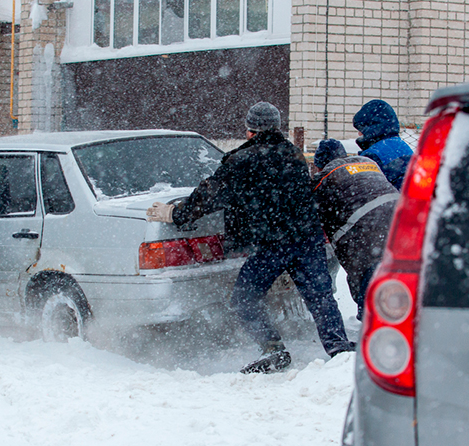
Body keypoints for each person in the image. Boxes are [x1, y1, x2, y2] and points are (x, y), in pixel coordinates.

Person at [147, 102, 355, 374]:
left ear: (249, 130)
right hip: (307, 237)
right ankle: (339, 349)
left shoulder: (240, 161)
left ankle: (272, 348)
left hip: (273, 244)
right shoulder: (292, 153)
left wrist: (176, 213)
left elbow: (209, 195)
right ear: (276, 127)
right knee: (320, 297)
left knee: (244, 298)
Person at [312, 139, 398, 320]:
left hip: (367, 227)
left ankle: (373, 318)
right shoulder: (368, 163)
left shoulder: (326, 176)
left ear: (320, 164)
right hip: (401, 218)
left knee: (366, 268)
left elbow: (311, 211)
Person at [352, 99, 413, 190]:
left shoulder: (372, 155)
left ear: (371, 128)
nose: (359, 134)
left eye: (361, 129)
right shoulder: (402, 146)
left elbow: (364, 191)